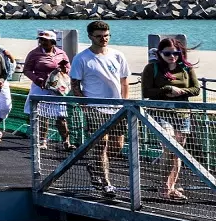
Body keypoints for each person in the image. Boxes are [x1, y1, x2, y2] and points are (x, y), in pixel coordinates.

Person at [70, 20, 131, 196]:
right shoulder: (81, 58)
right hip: (95, 108)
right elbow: (75, 85)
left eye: (106, 36)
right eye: (99, 36)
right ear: (90, 37)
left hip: (117, 107)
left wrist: (124, 102)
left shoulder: (118, 55)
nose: (103, 39)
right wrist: (85, 106)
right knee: (100, 144)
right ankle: (106, 183)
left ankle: (95, 166)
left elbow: (124, 81)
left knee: (117, 145)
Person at [140, 37, 199, 201]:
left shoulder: (186, 68)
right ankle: (165, 187)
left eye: (176, 53)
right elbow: (147, 92)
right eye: (168, 53)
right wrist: (166, 89)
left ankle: (171, 187)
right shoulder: (152, 68)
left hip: (182, 114)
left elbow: (196, 89)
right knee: (169, 146)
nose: (172, 56)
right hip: (161, 113)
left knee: (177, 153)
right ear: (160, 53)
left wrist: (181, 92)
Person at [23, 30, 72, 150]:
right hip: (41, 87)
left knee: (61, 116)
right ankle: (42, 141)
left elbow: (68, 68)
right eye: (41, 39)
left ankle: (66, 141)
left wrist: (64, 70)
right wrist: (37, 79)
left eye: (45, 40)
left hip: (57, 88)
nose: (42, 42)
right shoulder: (34, 53)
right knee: (42, 116)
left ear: (53, 41)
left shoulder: (61, 53)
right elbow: (27, 70)